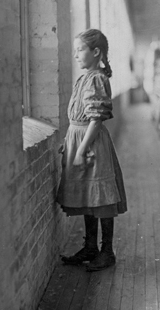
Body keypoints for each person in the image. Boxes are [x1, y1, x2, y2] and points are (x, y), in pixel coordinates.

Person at [56, 28, 128, 271]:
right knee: (89, 194)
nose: (76, 55)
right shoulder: (86, 77)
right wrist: (69, 143)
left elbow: (96, 119)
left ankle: (107, 251)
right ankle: (90, 247)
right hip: (80, 137)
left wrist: (81, 149)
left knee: (101, 197)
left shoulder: (97, 78)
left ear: (96, 52)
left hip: (91, 143)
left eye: (80, 50)